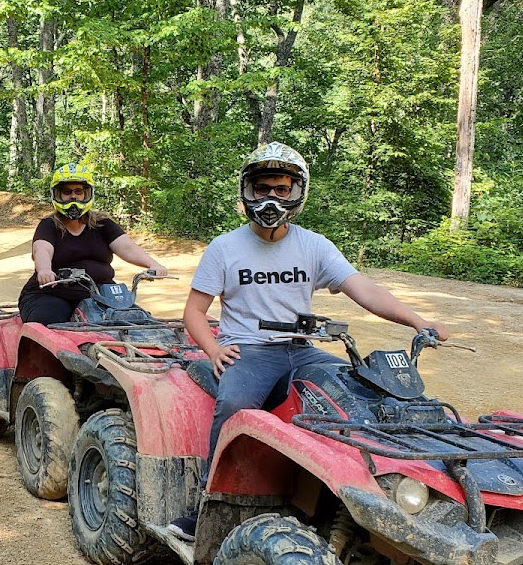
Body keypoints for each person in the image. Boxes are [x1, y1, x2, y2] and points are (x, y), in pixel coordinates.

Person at [167, 142, 449, 541]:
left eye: (282, 190)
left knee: (359, 390)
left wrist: (417, 321)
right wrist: (214, 350)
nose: (271, 198)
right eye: (262, 188)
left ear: (298, 193)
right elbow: (194, 312)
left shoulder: (313, 245)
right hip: (250, 351)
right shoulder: (225, 248)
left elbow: (363, 289)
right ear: (247, 192)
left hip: (302, 350)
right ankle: (205, 509)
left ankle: (382, 497)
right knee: (233, 404)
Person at [18, 164, 169, 325]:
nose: (73, 196)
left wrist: (153, 264)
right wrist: (44, 270)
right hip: (52, 294)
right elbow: (42, 249)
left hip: (100, 294)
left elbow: (127, 247)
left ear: (86, 194)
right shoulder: (49, 225)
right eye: (67, 192)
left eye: (78, 191)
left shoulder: (102, 223)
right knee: (52, 319)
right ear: (58, 195)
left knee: (133, 321)